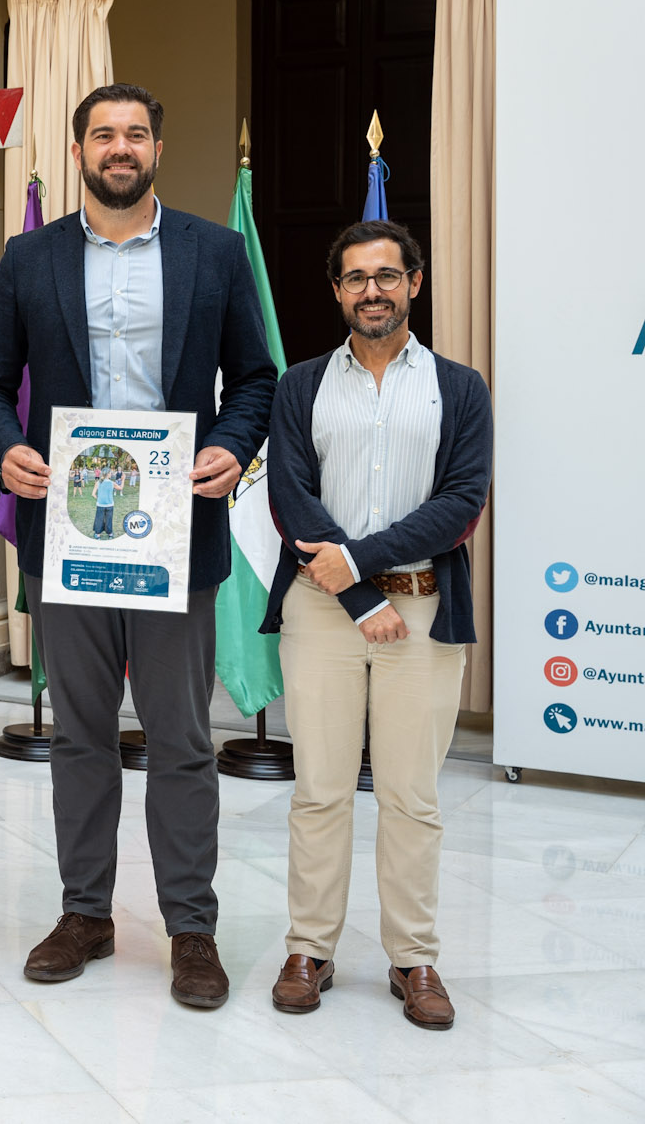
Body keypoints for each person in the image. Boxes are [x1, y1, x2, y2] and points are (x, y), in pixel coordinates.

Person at [0, 83, 277, 1009]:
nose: (121, 146)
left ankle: (191, 930)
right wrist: (5, 447)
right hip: (69, 533)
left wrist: (229, 443)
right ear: (80, 151)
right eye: (103, 133)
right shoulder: (30, 257)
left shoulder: (213, 253)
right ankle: (84, 913)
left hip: (176, 533)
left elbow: (255, 379)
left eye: (137, 131)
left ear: (158, 148)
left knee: (181, 739)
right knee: (82, 736)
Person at [261, 221, 492, 1028]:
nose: (372, 290)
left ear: (415, 284)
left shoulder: (461, 388)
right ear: (336, 291)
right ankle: (309, 947)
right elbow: (289, 498)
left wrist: (359, 565)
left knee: (411, 795)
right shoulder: (298, 387)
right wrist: (358, 595)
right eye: (356, 278)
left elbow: (460, 504)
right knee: (319, 789)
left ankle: (414, 958)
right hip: (322, 612)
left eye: (387, 276)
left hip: (423, 610)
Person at [91, 470, 118, 537]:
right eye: (110, 473)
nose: (111, 474)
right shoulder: (112, 483)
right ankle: (110, 534)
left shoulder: (98, 483)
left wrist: (99, 498)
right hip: (110, 505)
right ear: (108, 474)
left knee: (99, 519)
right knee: (109, 519)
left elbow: (93, 494)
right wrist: (123, 480)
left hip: (100, 505)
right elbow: (121, 488)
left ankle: (97, 535)